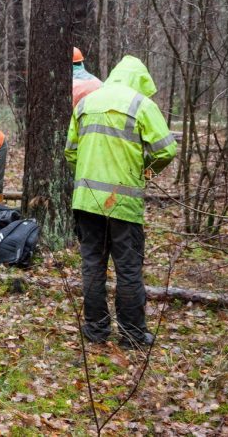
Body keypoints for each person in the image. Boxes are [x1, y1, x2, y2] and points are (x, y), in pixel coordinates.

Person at [65, 55, 177, 349]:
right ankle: (132, 335)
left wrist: (90, 174)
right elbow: (166, 150)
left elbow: (71, 153)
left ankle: (96, 330)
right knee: (127, 269)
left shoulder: (86, 103)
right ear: (139, 80)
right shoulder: (141, 104)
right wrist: (145, 173)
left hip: (86, 201)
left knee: (92, 265)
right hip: (124, 203)